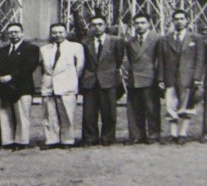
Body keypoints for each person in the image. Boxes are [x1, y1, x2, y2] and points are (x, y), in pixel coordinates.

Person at [158, 9, 205, 144]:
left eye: (182, 19)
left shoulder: (196, 38)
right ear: (172, 21)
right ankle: (173, 134)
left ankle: (182, 134)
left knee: (186, 106)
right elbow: (161, 60)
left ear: (187, 21)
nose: (179, 22)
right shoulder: (165, 39)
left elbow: (200, 60)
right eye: (176, 19)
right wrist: (161, 78)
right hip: (170, 77)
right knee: (171, 105)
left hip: (187, 78)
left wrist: (197, 77)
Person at [0, 23, 39, 150]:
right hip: (4, 87)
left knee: (22, 115)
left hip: (22, 87)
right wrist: (1, 78)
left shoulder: (31, 49)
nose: (13, 34)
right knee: (5, 115)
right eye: (10, 32)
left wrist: (11, 76)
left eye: (16, 32)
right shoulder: (1, 51)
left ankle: (21, 141)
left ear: (22, 33)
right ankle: (7, 141)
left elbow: (29, 66)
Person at [39, 23, 84, 149]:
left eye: (60, 32)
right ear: (51, 34)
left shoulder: (75, 47)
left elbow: (79, 67)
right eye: (54, 32)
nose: (57, 35)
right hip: (49, 85)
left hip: (67, 85)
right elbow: (43, 68)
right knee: (49, 114)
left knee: (67, 115)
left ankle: (67, 140)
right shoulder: (45, 49)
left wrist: (71, 80)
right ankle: (51, 140)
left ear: (66, 33)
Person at [80, 15, 124, 146]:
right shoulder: (85, 42)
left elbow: (119, 59)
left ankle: (108, 138)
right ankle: (90, 138)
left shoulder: (116, 41)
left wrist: (109, 72)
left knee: (109, 112)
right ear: (90, 27)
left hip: (108, 80)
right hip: (90, 81)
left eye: (100, 24)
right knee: (89, 114)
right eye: (94, 25)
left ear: (105, 26)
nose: (97, 27)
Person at [124, 13, 162, 145]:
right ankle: (137, 135)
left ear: (149, 24)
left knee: (152, 109)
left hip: (150, 78)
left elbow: (161, 60)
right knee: (135, 110)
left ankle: (154, 135)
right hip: (134, 79)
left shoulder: (157, 39)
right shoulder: (130, 41)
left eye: (142, 23)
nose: (139, 26)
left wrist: (159, 79)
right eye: (137, 23)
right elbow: (130, 60)